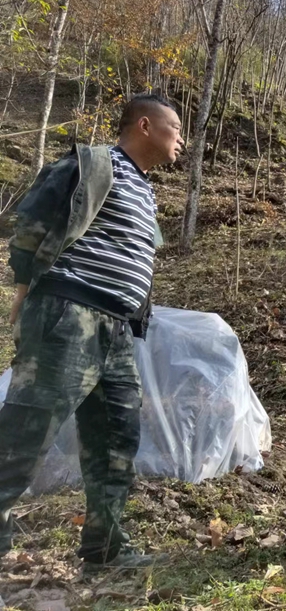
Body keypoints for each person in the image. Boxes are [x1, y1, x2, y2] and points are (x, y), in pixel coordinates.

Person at [0, 93, 183, 569]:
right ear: (145, 125)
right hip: (68, 314)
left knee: (116, 439)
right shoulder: (92, 164)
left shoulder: (146, 190)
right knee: (26, 431)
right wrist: (23, 286)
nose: (181, 138)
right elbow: (34, 218)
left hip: (118, 331)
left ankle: (105, 548)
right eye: (175, 127)